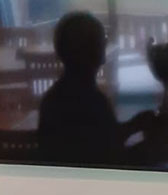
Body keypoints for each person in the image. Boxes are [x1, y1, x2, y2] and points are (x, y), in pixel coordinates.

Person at [37, 11, 154, 166]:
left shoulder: (52, 100)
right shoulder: (94, 102)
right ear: (95, 52)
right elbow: (114, 161)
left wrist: (133, 126)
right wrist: (155, 146)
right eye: (102, 42)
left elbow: (99, 138)